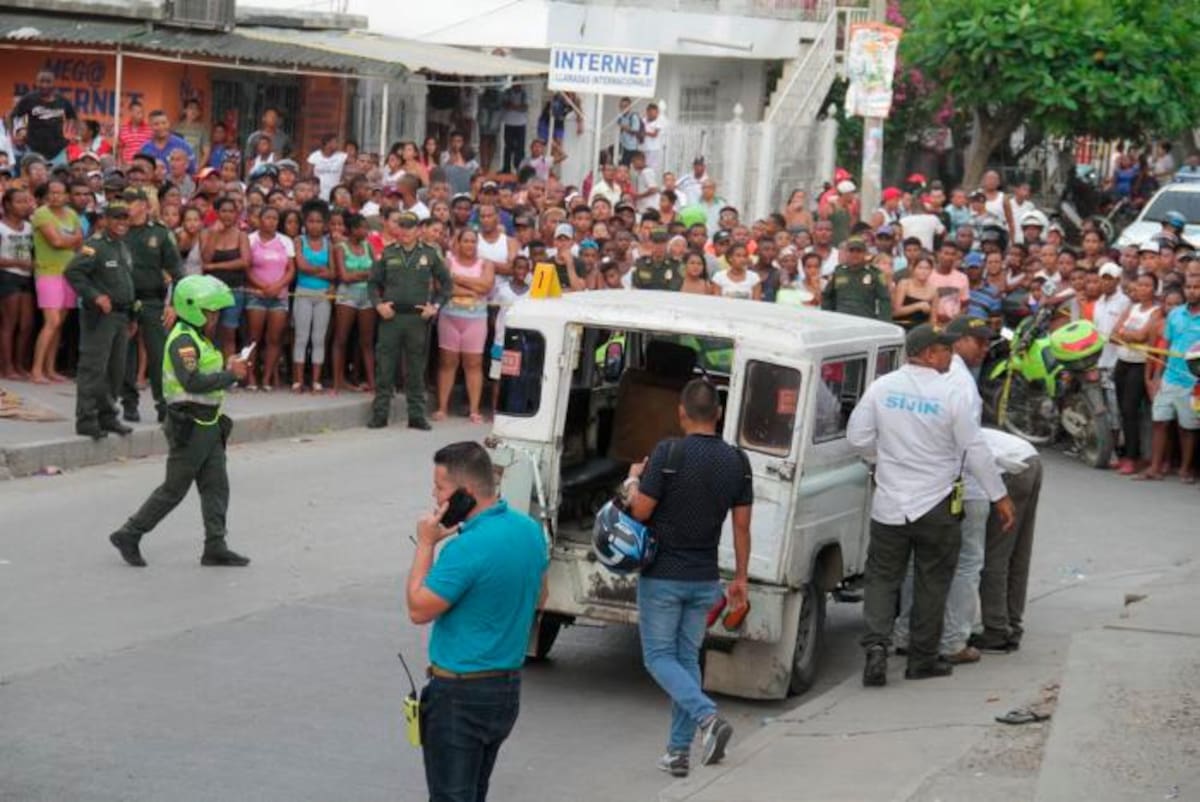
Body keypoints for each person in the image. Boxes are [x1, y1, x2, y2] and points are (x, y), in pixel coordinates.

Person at [847, 323, 1014, 686]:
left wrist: (882, 460)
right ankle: (921, 660)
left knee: (882, 578)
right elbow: (975, 449)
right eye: (943, 349)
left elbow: (857, 437)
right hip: (937, 503)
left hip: (889, 502)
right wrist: (999, 496)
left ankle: (876, 647)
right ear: (925, 354)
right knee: (931, 580)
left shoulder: (882, 387)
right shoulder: (951, 393)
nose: (949, 355)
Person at [624, 378, 752, 777]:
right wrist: (741, 578)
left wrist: (632, 480)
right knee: (685, 660)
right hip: (704, 579)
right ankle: (678, 752)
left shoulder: (668, 453)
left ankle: (708, 717)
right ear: (719, 414)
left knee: (658, 658)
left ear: (682, 412)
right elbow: (742, 528)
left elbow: (640, 511)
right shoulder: (737, 461)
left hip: (662, 575)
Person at [407, 441, 548, 802]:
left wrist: (425, 545)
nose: (434, 496)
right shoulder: (529, 531)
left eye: (439, 488)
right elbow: (541, 597)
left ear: (465, 494)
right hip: (505, 690)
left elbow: (418, 609)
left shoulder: (466, 548)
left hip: (459, 694)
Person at [107, 274, 251, 568]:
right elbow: (193, 380)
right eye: (211, 312)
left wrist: (228, 368)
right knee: (173, 490)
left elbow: (206, 377)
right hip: (190, 425)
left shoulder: (199, 337)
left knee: (216, 486)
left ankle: (215, 545)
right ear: (194, 309)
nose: (215, 317)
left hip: (209, 424)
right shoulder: (183, 340)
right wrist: (230, 375)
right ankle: (129, 533)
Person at [893, 315, 995, 666]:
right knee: (966, 563)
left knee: (918, 562)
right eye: (977, 341)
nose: (983, 349)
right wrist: (999, 495)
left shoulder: (923, 380)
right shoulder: (959, 385)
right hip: (959, 485)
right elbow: (968, 446)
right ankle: (952, 641)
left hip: (921, 484)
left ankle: (906, 633)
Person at [367, 210, 451, 430]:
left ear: (418, 230)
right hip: (391, 317)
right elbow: (373, 283)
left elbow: (446, 286)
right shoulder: (387, 253)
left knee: (415, 368)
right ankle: (380, 414)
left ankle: (416, 415)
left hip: (417, 318)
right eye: (401, 226)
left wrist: (434, 307)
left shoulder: (430, 254)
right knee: (385, 367)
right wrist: (378, 304)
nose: (405, 231)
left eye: (410, 227)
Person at [64, 201, 137, 440]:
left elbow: (126, 282)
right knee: (93, 368)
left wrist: (132, 315)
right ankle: (86, 419)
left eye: (125, 218)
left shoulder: (123, 247)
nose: (121, 223)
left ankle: (107, 415)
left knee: (115, 369)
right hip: (100, 316)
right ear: (105, 220)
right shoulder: (95, 247)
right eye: (116, 218)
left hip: (121, 315)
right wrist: (95, 296)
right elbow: (73, 272)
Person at [974, 428, 1042, 653]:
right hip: (1029, 457)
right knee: (1017, 551)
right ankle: (1011, 623)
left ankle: (996, 630)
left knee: (995, 554)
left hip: (1011, 468)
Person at [119, 188, 183, 424]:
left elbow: (177, 272)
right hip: (124, 301)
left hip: (152, 300)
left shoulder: (160, 233)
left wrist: (174, 304)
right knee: (126, 354)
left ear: (145, 206)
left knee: (158, 355)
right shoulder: (118, 230)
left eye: (133, 202)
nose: (128, 206)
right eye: (125, 201)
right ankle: (129, 403)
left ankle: (163, 404)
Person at [1141, 273, 1200, 481]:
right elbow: (1164, 347)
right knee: (1160, 422)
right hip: (1169, 377)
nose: (1192, 290)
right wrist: (1157, 376)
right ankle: (1154, 468)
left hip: (1193, 383)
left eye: (1197, 287)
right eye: (1190, 287)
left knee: (1188, 427)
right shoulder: (1175, 314)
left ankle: (1185, 470)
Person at [435, 228, 495, 423]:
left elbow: (486, 286)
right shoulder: (448, 261)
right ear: (458, 243)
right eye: (466, 241)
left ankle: (474, 410)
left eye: (473, 241)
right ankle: (442, 407)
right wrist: (470, 291)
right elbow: (443, 286)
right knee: (447, 363)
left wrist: (458, 279)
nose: (469, 245)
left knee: (474, 364)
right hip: (450, 317)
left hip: (475, 319)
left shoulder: (486, 264)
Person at [30, 178, 83, 384]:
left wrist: (67, 242)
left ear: (67, 196)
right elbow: (56, 241)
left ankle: (50, 369)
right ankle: (36, 370)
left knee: (59, 324)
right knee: (51, 321)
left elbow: (79, 241)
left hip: (68, 272)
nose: (55, 196)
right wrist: (70, 241)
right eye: (51, 192)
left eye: (60, 193)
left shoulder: (72, 214)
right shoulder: (42, 213)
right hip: (48, 272)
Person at [1110, 274, 1161, 474]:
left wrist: (1126, 335)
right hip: (1122, 362)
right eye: (1140, 284)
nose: (1142, 288)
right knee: (1122, 409)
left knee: (1131, 409)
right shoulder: (1131, 308)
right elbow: (1113, 334)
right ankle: (1128, 453)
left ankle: (1133, 456)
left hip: (1139, 365)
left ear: (1154, 289)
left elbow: (1143, 335)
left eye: (1147, 285)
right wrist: (1129, 336)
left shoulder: (1156, 312)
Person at [244, 206, 294, 391]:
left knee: (274, 338)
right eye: (268, 217)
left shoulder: (285, 241)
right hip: (256, 295)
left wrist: (277, 286)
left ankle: (266, 378)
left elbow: (291, 269)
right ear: (259, 219)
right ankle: (250, 377)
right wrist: (262, 286)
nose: (272, 221)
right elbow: (247, 267)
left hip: (279, 296)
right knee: (253, 338)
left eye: (275, 218)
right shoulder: (250, 239)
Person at [331, 212, 377, 394]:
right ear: (351, 230)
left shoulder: (369, 246)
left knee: (366, 341)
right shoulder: (340, 247)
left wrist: (357, 275)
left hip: (366, 294)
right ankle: (337, 381)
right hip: (347, 295)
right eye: (361, 228)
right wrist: (365, 274)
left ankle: (372, 382)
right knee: (341, 339)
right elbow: (343, 277)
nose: (365, 231)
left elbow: (376, 272)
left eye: (366, 227)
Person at [292, 201, 335, 392]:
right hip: (303, 292)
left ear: (324, 224)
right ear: (305, 222)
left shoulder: (329, 244)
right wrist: (321, 270)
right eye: (311, 221)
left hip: (323, 295)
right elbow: (301, 266)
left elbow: (333, 273)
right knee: (301, 337)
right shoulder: (299, 241)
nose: (314, 225)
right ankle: (299, 380)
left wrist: (315, 270)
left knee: (318, 338)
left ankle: (316, 381)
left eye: (318, 221)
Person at [0, 186, 35, 379]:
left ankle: (20, 364)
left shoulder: (29, 227)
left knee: (27, 324)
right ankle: (7, 367)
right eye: (19, 202)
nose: (24, 206)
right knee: (9, 324)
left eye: (26, 201)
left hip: (26, 277)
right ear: (7, 204)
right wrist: (18, 262)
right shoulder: (1, 228)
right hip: (7, 276)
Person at [11, 69, 77, 165]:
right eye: (41, 81)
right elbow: (14, 116)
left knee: (61, 178)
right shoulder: (29, 99)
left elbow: (73, 117)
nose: (44, 85)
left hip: (58, 151)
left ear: (54, 83)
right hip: (33, 149)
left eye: (48, 82)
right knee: (33, 177)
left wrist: (72, 133)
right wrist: (18, 130)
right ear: (36, 82)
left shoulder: (62, 100)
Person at [821, 236, 892, 320]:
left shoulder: (874, 274)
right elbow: (827, 297)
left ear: (865, 253)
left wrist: (883, 322)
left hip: (865, 321)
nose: (855, 254)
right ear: (846, 252)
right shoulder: (838, 272)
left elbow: (884, 300)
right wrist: (829, 318)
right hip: (841, 321)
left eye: (859, 251)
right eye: (851, 251)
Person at [891, 254, 935, 329]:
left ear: (931, 271)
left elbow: (933, 320)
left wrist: (937, 331)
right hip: (902, 326)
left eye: (927, 268)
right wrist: (918, 306)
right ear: (913, 269)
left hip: (922, 329)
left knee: (944, 334)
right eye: (920, 268)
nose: (923, 271)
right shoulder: (904, 284)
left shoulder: (934, 290)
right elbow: (895, 312)